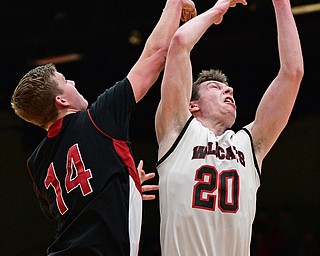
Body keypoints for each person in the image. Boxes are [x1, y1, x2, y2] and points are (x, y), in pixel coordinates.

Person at [10, 0, 196, 255]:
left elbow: (77, 208)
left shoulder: (36, 164)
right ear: (61, 100)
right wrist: (174, 4)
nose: (73, 81)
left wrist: (122, 186)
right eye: (65, 81)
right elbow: (157, 53)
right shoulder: (99, 118)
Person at [155, 0, 303, 255]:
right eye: (215, 87)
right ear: (192, 106)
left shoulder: (249, 144)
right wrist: (218, 9)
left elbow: (293, 73)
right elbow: (179, 44)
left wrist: (281, 3)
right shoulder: (177, 131)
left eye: (228, 88)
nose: (229, 90)